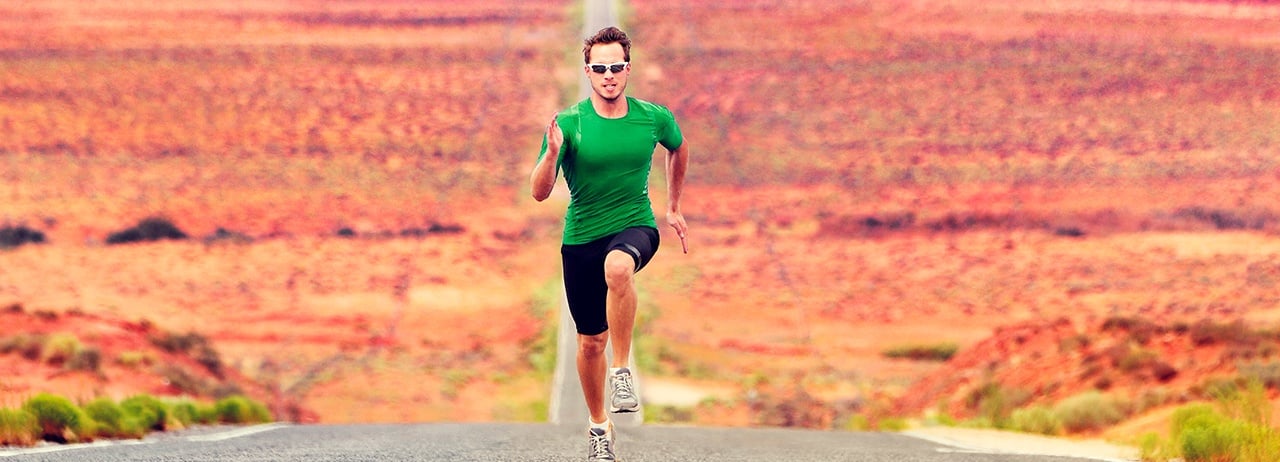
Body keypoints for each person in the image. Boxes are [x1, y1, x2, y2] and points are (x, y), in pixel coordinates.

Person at [530, 26, 689, 462]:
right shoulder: (569, 124)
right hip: (581, 237)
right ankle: (600, 425)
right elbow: (539, 192)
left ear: (628, 69)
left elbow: (678, 148)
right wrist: (551, 155)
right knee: (589, 343)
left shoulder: (652, 118)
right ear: (587, 72)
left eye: (616, 67)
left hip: (635, 225)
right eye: (599, 69)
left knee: (618, 267)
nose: (609, 76)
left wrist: (673, 207)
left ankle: (622, 371)